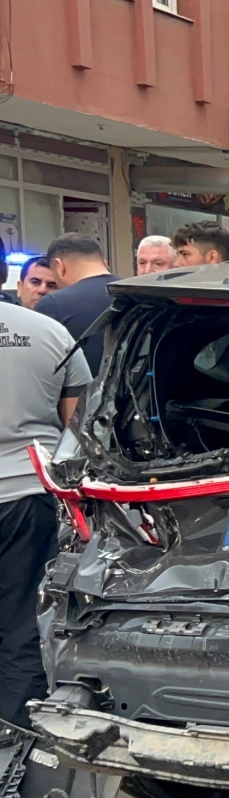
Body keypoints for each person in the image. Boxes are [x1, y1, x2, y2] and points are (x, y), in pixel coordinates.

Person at [0, 300, 91, 728]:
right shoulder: (49, 331)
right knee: (21, 618)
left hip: (26, 493)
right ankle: (17, 729)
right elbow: (76, 427)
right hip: (26, 493)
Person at [35, 232, 119, 376]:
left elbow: (41, 371)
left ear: (59, 266)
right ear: (104, 263)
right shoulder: (141, 295)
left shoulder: (53, 305)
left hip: (79, 397)